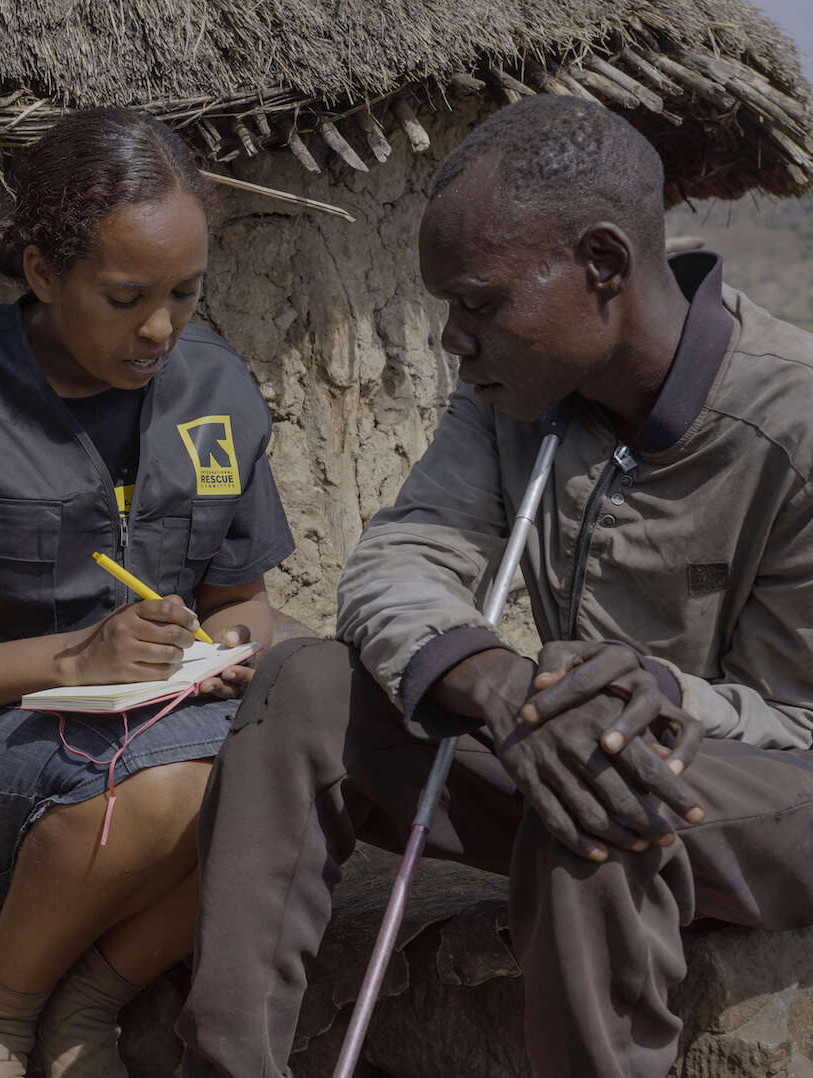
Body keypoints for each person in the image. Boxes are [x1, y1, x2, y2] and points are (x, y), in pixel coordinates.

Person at [179, 93, 813, 1077]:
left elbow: (799, 719)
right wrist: (502, 686)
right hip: (598, 754)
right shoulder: (522, 392)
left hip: (779, 797)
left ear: (602, 263)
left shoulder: (794, 427)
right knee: (302, 684)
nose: (451, 338)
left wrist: (644, 701)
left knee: (600, 781)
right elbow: (402, 558)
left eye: (477, 303)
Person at [0, 108, 309, 1078]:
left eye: (185, 293)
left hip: (166, 730)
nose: (160, 328)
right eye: (125, 297)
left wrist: (226, 651)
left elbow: (242, 598)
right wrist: (77, 660)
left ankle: (93, 995)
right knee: (186, 782)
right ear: (41, 272)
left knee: (313, 751)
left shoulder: (216, 390)